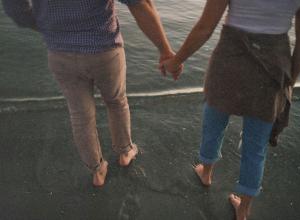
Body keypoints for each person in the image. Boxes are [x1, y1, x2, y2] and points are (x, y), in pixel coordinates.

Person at [161, 0, 300, 219]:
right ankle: (243, 209)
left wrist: (176, 61)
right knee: (255, 146)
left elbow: (205, 27)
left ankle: (206, 173)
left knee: (213, 123)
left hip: (229, 60)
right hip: (273, 67)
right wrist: (288, 83)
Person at [2, 0, 182, 187]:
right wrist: (165, 51)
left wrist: (47, 27)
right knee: (116, 102)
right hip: (104, 49)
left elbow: (15, 9)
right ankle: (125, 152)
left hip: (60, 54)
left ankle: (97, 170)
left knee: (80, 115)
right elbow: (138, 4)